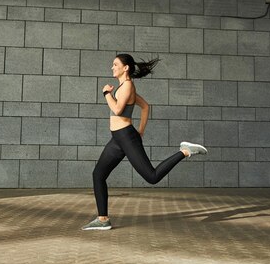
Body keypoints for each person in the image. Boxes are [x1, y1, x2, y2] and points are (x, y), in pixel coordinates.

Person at [82, 54, 207, 230]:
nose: (112, 67)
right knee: (98, 175)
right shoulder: (124, 87)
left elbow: (117, 110)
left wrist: (106, 93)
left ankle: (185, 151)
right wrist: (140, 131)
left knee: (152, 177)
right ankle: (102, 219)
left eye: (115, 64)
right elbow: (145, 106)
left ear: (125, 68)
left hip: (125, 137)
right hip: (118, 138)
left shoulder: (127, 86)